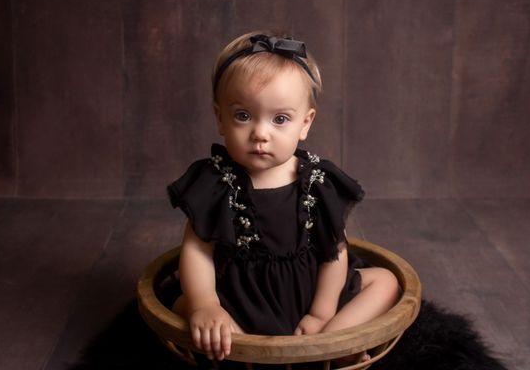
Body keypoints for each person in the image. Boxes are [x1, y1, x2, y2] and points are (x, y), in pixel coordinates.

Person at [167, 30, 401, 366]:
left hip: (311, 295)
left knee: (386, 282)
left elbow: (334, 250)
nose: (260, 133)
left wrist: (321, 313)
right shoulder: (216, 182)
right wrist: (205, 302)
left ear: (305, 124)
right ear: (220, 118)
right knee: (185, 305)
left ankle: (331, 337)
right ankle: (245, 348)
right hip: (241, 299)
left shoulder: (318, 181)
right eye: (243, 116)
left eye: (280, 119)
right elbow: (196, 249)